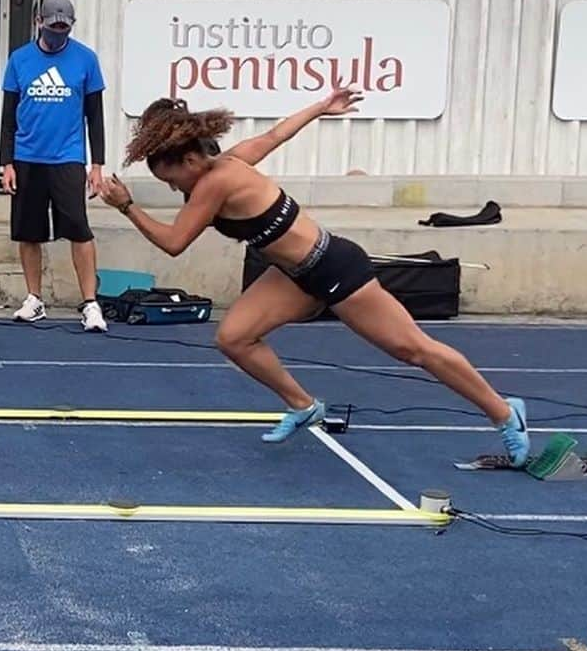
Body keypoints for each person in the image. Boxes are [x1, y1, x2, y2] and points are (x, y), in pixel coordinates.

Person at [98, 93, 530, 463]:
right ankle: (304, 405)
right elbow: (275, 135)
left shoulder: (217, 181)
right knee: (234, 338)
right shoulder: (226, 162)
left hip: (335, 268)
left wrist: (126, 206)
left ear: (191, 159)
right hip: (293, 274)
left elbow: (174, 242)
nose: (175, 189)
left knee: (414, 350)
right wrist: (322, 106)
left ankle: (503, 411)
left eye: (172, 179)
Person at [0, 0, 107, 332]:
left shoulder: (86, 59)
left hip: (68, 157)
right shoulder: (20, 60)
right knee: (29, 233)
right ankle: (34, 299)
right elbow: (8, 116)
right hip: (27, 157)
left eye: (64, 27)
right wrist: (7, 163)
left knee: (78, 229)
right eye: (53, 26)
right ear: (39, 23)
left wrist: (97, 165)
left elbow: (95, 115)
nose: (58, 33)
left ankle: (90, 303)